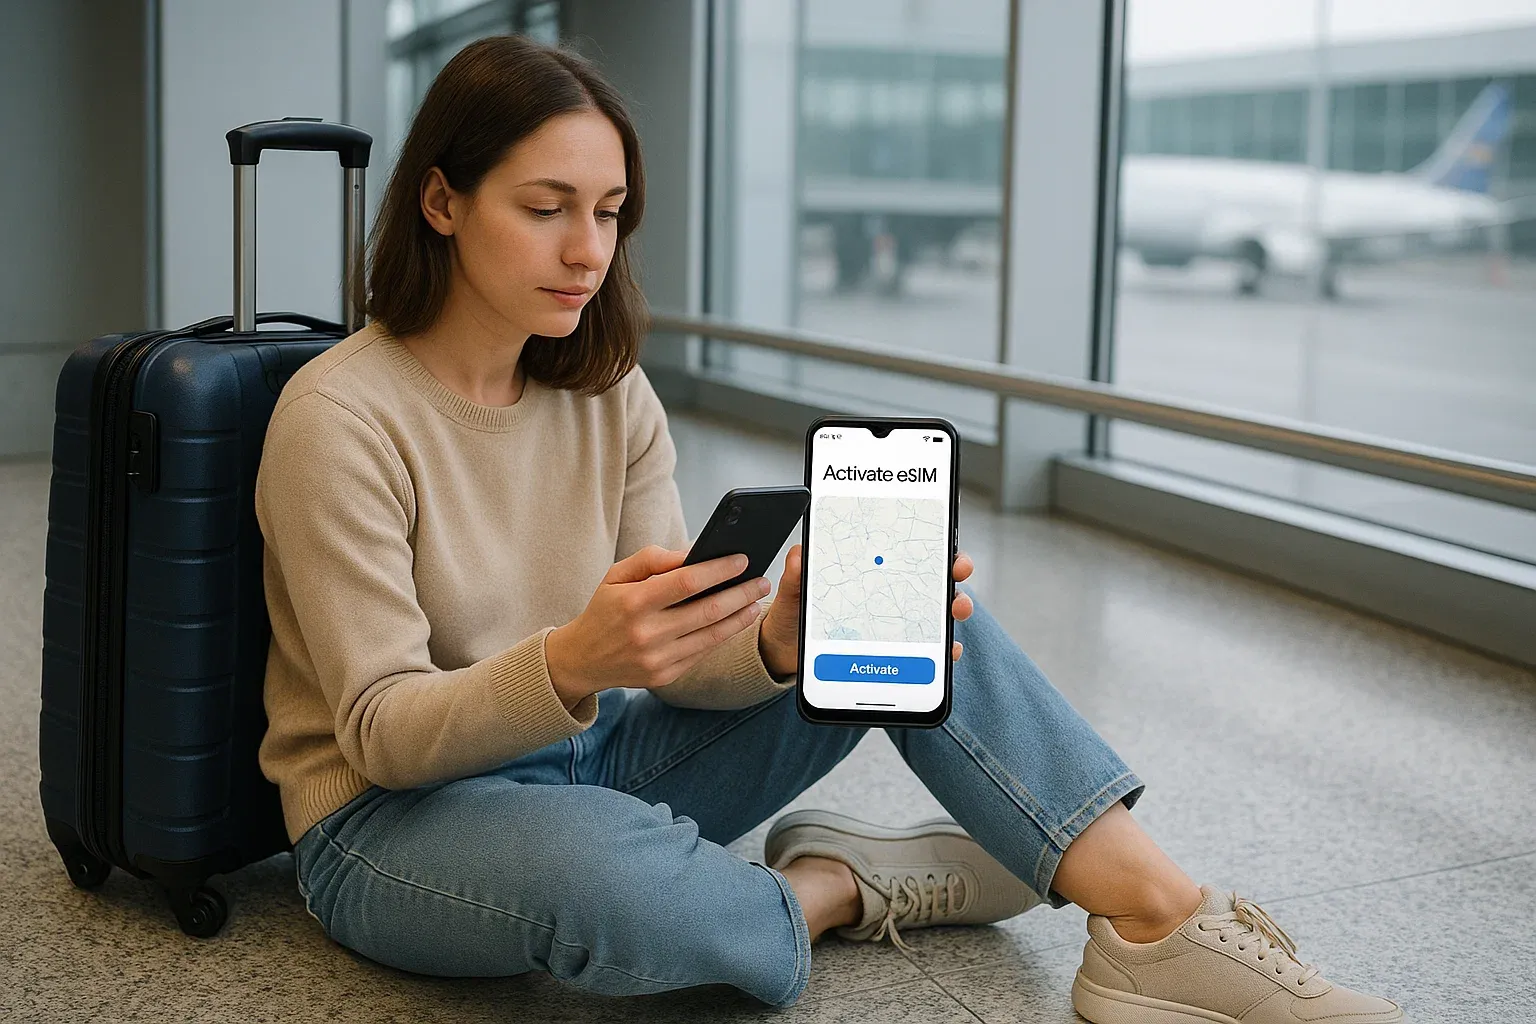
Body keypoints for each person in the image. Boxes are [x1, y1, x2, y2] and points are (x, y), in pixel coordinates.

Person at [254, 35, 1402, 1022]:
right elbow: (379, 732)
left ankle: (1158, 925)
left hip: (586, 760)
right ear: (442, 201)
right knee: (610, 882)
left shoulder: (607, 394)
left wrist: (775, 642)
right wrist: (570, 661)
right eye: (544, 209)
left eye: (607, 214)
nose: (587, 252)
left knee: (897, 615)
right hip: (390, 823)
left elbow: (687, 668)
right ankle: (838, 884)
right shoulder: (340, 417)